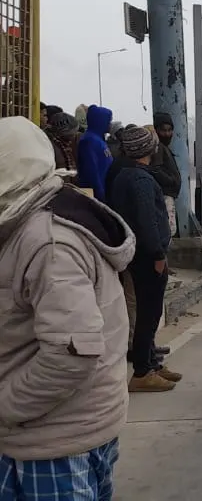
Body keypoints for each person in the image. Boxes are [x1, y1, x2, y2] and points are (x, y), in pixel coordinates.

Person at [0, 117, 134, 499]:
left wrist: (5, 406)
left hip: (50, 441)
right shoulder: (35, 221)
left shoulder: (47, 243)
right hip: (62, 427)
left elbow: (70, 355)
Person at [107, 126, 180, 392]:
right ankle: (142, 371)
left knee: (149, 312)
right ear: (149, 149)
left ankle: (151, 362)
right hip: (147, 257)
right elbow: (147, 221)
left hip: (140, 254)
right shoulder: (140, 180)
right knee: (149, 314)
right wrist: (158, 254)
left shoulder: (127, 175)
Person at [150, 115, 182, 237]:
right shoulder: (158, 148)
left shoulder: (164, 148)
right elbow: (155, 169)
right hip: (165, 195)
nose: (167, 134)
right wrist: (171, 181)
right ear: (157, 130)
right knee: (169, 230)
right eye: (164, 130)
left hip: (169, 195)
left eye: (169, 130)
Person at [76, 105, 114, 201]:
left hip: (107, 191)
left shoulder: (99, 140)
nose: (110, 124)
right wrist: (100, 195)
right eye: (108, 121)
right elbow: (91, 171)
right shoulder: (89, 141)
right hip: (98, 196)